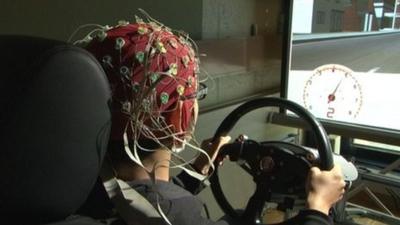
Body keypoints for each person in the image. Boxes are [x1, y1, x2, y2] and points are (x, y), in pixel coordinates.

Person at [82, 15, 345, 225]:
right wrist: (319, 207)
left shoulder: (80, 185)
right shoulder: (178, 214)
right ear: (179, 121)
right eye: (196, 95)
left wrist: (199, 168)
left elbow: (142, 197)